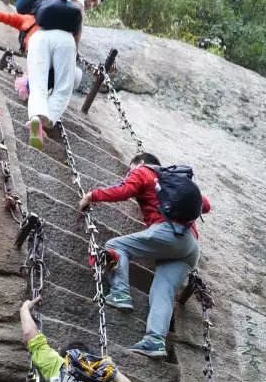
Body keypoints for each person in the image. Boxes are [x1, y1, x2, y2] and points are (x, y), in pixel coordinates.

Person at [79, 153, 212, 358]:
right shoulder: (176, 184)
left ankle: (120, 293)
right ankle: (155, 341)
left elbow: (124, 190)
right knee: (163, 290)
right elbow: (206, 205)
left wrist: (92, 195)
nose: (129, 174)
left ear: (140, 163)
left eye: (129, 170)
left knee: (116, 245)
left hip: (168, 233)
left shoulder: (143, 171)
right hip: (190, 248)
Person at [25, 0, 103, 148]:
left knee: (38, 85)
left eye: (96, 4)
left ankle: (36, 122)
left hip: (40, 35)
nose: (92, 3)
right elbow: (79, 15)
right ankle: (47, 121)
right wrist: (75, 46)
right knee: (63, 88)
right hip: (64, 40)